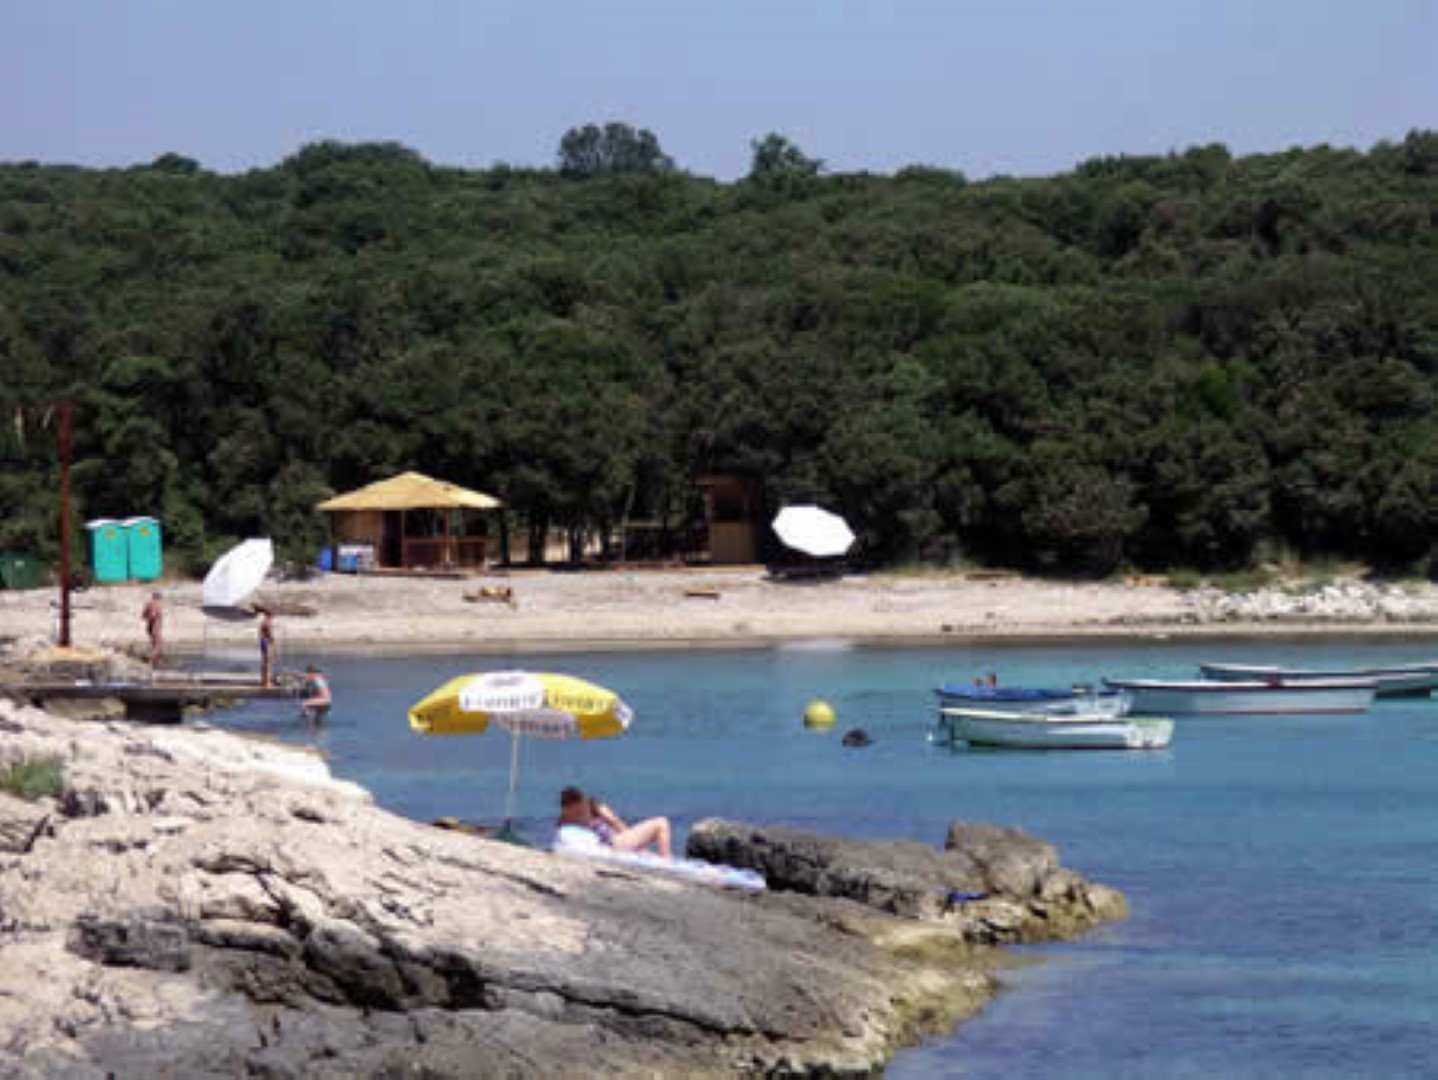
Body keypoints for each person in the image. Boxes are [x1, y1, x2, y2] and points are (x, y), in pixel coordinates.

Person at [558, 786, 672, 859]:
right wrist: (633, 842)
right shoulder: (592, 806)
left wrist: (636, 845)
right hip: (614, 844)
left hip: (613, 844)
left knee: (656, 832)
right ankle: (666, 863)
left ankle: (664, 859)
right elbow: (615, 822)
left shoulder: (566, 818)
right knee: (661, 823)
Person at [141, 592, 163, 668]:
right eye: (160, 598)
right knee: (157, 645)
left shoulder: (148, 604)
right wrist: (153, 619)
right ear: (157, 598)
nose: (160, 600)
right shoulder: (156, 605)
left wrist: (149, 619)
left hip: (149, 627)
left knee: (154, 644)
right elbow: (153, 615)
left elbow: (143, 616)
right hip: (155, 628)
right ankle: (150, 661)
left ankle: (155, 660)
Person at [257, 606, 276, 688]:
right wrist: (273, 642)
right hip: (266, 642)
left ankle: (264, 681)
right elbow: (269, 634)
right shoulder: (267, 622)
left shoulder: (264, 622)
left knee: (265, 662)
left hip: (263, 641)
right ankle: (267, 683)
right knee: (267, 663)